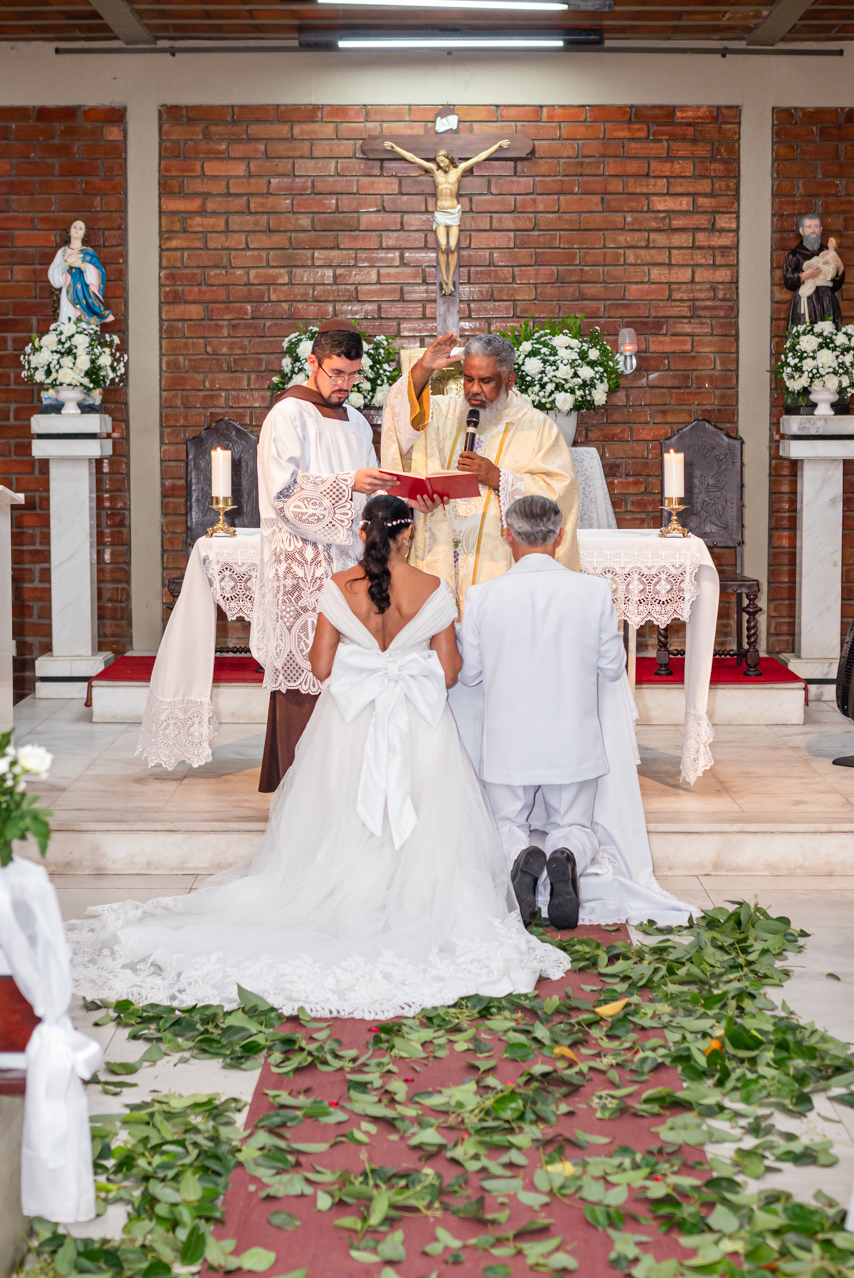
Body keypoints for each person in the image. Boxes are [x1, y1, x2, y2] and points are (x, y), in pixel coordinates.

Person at [67, 496, 569, 1017]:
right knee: (425, 816)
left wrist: (367, 671)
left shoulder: (338, 588)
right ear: (409, 535)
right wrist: (402, 670)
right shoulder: (434, 590)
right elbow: (447, 672)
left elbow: (322, 666)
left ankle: (343, 894)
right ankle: (412, 900)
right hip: (418, 726)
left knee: (340, 819)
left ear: (362, 532)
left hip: (349, 725)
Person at [459, 494, 693, 931]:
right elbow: (610, 666)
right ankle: (564, 856)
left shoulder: (482, 596)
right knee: (572, 823)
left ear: (507, 536)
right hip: (572, 740)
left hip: (507, 744)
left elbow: (469, 676)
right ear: (560, 535)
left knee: (506, 821)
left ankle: (521, 857)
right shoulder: (594, 591)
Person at [251, 319, 387, 792]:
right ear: (312, 362)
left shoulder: (356, 421)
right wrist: (348, 483)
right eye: (336, 374)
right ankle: (297, 784)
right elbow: (283, 490)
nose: (345, 385)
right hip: (300, 563)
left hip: (347, 561)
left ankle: (342, 782)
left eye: (353, 375)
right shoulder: (287, 415)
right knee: (304, 671)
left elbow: (365, 494)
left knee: (346, 670)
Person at [381, 332, 579, 613]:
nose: (474, 389)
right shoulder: (446, 414)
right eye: (468, 379)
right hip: (441, 555)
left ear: (508, 380)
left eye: (486, 381)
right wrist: (423, 368)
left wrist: (499, 478)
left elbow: (560, 492)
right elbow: (401, 415)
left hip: (496, 568)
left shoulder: (538, 428)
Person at [382, 140, 511, 296]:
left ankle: (450, 278)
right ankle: (444, 279)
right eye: (439, 162)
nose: (441, 165)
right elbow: (413, 158)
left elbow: (478, 158)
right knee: (442, 246)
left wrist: (497, 146)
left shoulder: (459, 170)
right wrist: (395, 148)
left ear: (449, 159)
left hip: (453, 213)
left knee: (452, 247)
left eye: (443, 161)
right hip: (440, 214)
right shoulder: (435, 171)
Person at [784, 213, 845, 329]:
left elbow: (836, 284)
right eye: (809, 227)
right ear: (802, 231)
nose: (813, 230)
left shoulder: (828, 254)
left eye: (816, 227)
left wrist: (840, 267)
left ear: (821, 230)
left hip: (826, 300)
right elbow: (787, 279)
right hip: (805, 300)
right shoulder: (795, 255)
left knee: (827, 334)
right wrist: (803, 276)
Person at [47, 219, 112, 327]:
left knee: (84, 327)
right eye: (75, 227)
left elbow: (99, 274)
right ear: (70, 231)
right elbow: (53, 276)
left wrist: (82, 265)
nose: (77, 230)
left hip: (84, 296)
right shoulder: (62, 252)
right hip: (68, 294)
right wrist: (67, 263)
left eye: (80, 228)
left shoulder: (88, 253)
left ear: (84, 233)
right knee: (67, 321)